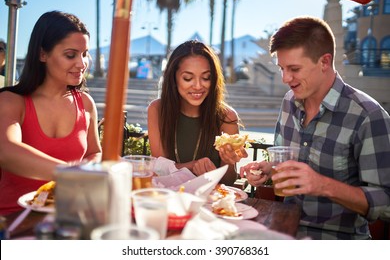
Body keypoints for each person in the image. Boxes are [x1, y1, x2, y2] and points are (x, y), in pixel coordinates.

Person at [237, 16, 390, 239]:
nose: (285, 78)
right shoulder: (289, 102)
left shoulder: (368, 116)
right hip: (283, 232)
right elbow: (284, 163)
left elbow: (385, 202)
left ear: (324, 62)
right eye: (281, 68)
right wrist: (267, 169)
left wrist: (322, 185)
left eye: (294, 69)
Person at [0, 11, 102, 215]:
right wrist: (72, 174)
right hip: (13, 218)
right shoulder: (11, 101)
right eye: (70, 55)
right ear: (42, 54)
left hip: (68, 215)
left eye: (85, 54)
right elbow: (7, 151)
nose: (82, 64)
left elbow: (94, 152)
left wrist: (89, 170)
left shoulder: (86, 103)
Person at [147, 40, 247, 185]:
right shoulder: (157, 110)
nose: (198, 86)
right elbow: (159, 170)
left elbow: (229, 181)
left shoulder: (227, 117)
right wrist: (193, 166)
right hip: (167, 198)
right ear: (173, 78)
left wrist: (227, 162)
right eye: (188, 78)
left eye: (206, 77)